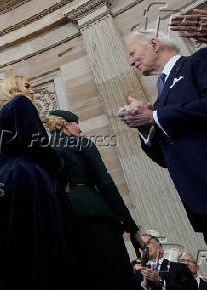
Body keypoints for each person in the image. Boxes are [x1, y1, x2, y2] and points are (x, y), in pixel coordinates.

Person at [0, 76, 67, 290]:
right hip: (27, 177)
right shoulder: (20, 103)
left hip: (4, 182)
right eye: (28, 86)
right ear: (15, 88)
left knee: (9, 246)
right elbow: (37, 142)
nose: (32, 91)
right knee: (35, 241)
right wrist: (58, 167)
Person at [118, 30, 207, 243]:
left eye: (132, 53)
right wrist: (142, 125)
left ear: (155, 44)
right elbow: (163, 158)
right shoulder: (159, 98)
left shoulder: (198, 61)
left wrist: (155, 115)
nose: (131, 62)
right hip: (198, 200)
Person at [46, 110, 143, 290]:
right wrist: (131, 226)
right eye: (77, 123)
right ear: (66, 124)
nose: (80, 129)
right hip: (95, 215)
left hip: (61, 220)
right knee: (115, 276)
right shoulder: (82, 144)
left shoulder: (43, 151)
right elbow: (105, 183)